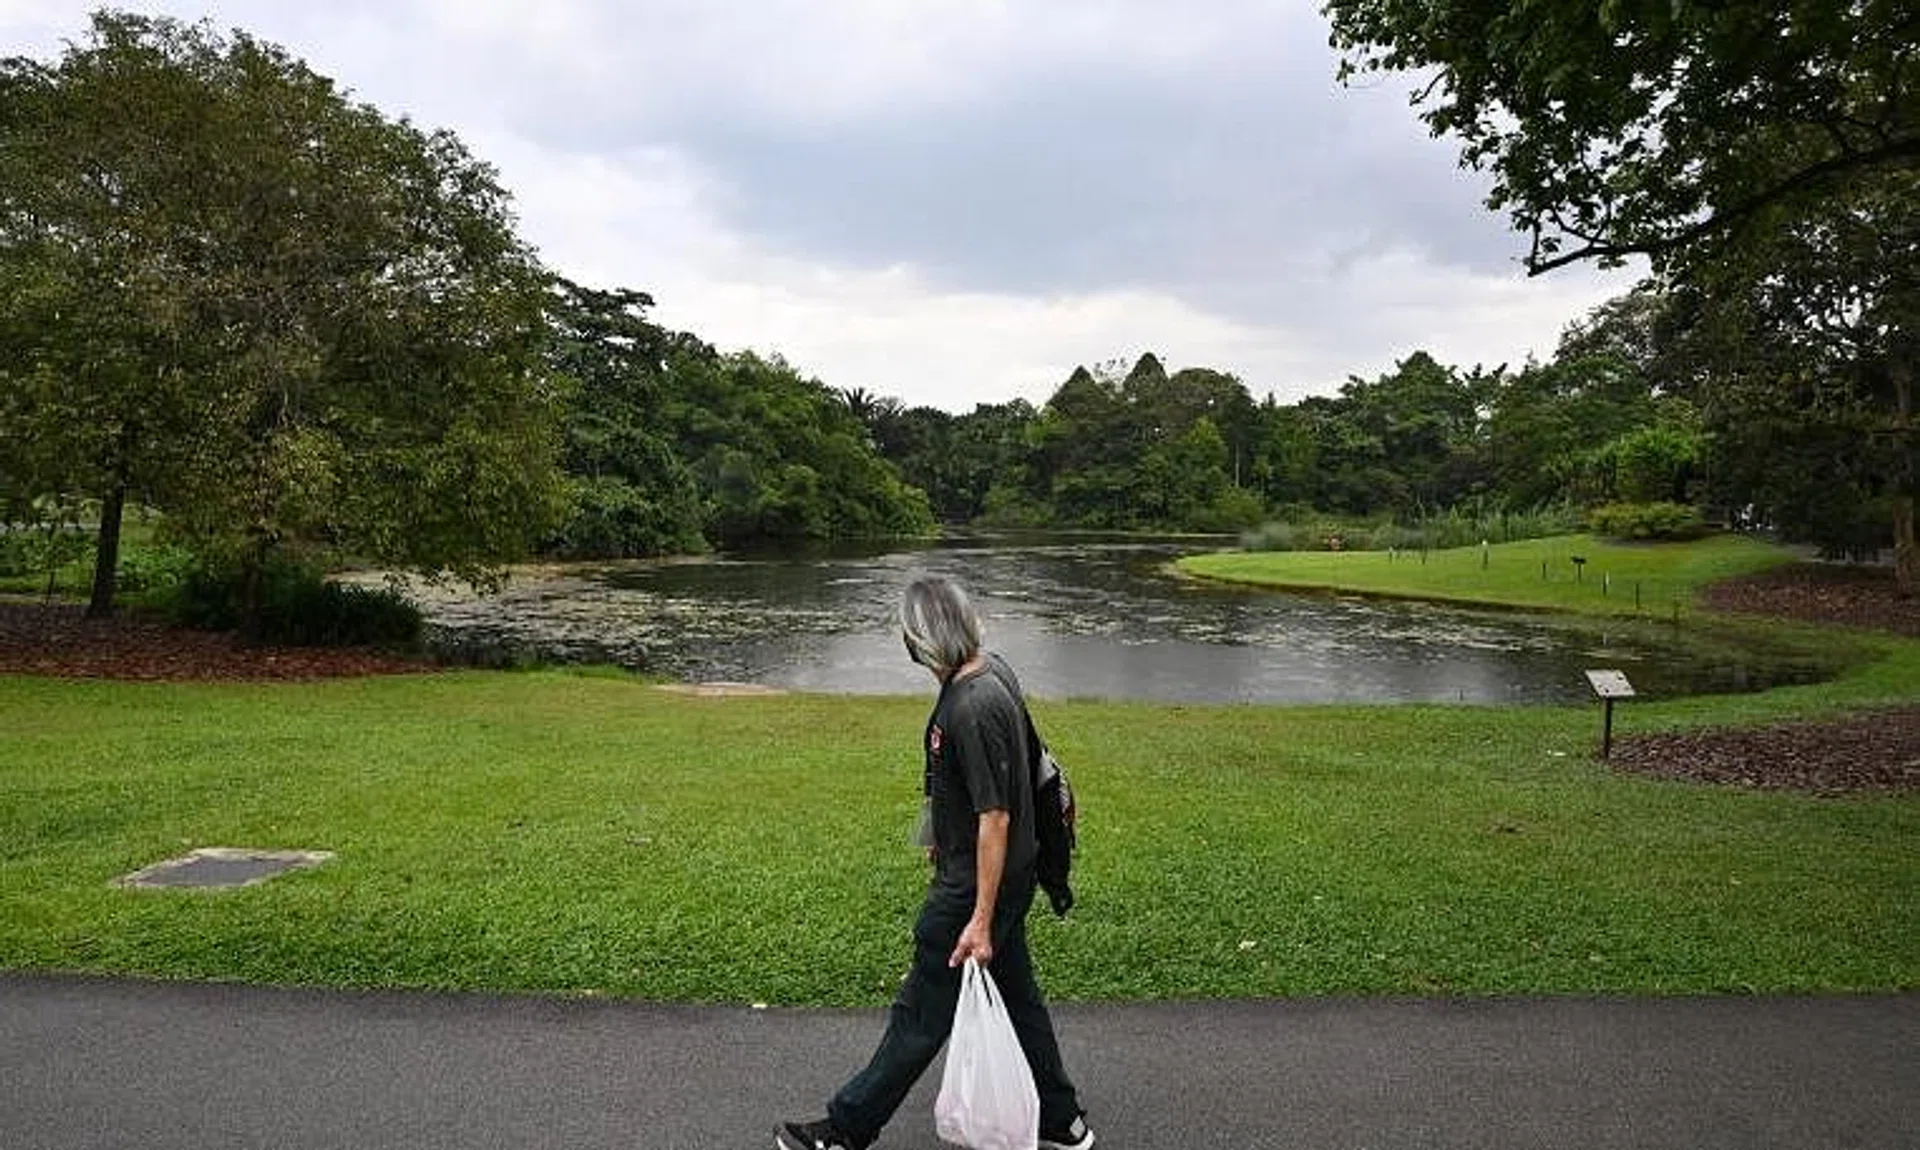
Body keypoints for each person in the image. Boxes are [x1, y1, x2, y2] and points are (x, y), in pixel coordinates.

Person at [776, 575, 1094, 1150]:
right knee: (1018, 997)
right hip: (1004, 875)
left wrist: (979, 919)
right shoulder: (988, 671)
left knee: (921, 1012)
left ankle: (846, 1129)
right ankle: (1061, 1119)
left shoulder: (973, 705)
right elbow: (980, 784)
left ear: (923, 638)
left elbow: (995, 817)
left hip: (973, 888)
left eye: (908, 632)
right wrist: (940, 833)